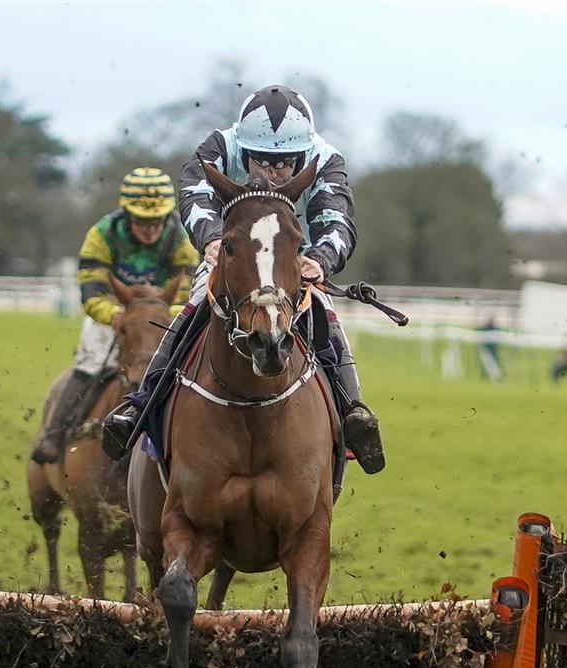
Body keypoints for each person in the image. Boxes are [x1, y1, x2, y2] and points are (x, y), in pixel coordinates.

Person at [100, 84, 384, 474]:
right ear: (244, 147)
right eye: (259, 160)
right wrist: (212, 239)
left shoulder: (327, 159)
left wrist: (320, 259)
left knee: (324, 312)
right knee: (197, 299)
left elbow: (337, 218)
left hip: (289, 261)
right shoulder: (219, 146)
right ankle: (141, 406)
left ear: (302, 154)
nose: (269, 172)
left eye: (283, 163)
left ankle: (353, 413)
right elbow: (194, 195)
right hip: (232, 257)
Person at [29, 168, 198, 464]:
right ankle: (54, 435)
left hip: (162, 317)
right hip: (114, 314)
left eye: (157, 221)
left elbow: (186, 288)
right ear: (127, 212)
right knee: (91, 360)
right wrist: (115, 315)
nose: (150, 230)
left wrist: (158, 314)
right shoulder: (102, 234)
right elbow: (91, 290)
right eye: (142, 221)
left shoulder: (180, 237)